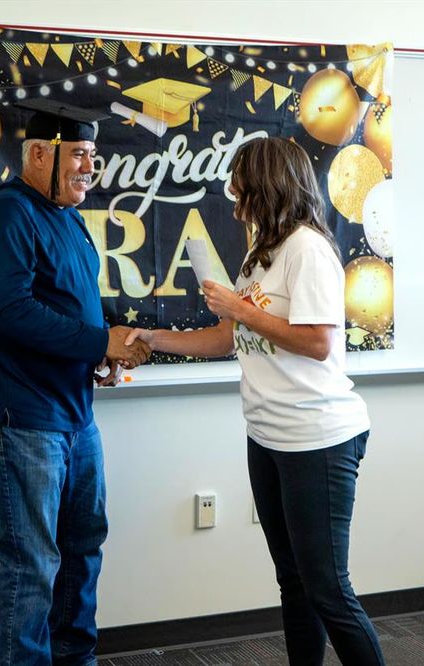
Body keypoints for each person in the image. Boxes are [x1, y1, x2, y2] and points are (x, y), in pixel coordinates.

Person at [126, 137, 385, 665]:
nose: (234, 194)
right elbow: (227, 340)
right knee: (293, 582)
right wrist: (153, 341)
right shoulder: (260, 254)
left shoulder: (307, 249)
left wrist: (242, 311)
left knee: (329, 591)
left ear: (268, 185)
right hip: (268, 436)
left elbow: (317, 342)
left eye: (241, 183)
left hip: (319, 439)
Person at [0, 98, 151, 666]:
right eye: (81, 156)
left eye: (93, 158)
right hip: (22, 417)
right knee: (32, 564)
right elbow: (10, 312)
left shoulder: (69, 219)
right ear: (41, 154)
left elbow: (75, 307)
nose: (89, 169)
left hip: (76, 413)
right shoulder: (6, 214)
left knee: (83, 548)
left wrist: (99, 358)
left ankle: (76, 660)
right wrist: (100, 343)